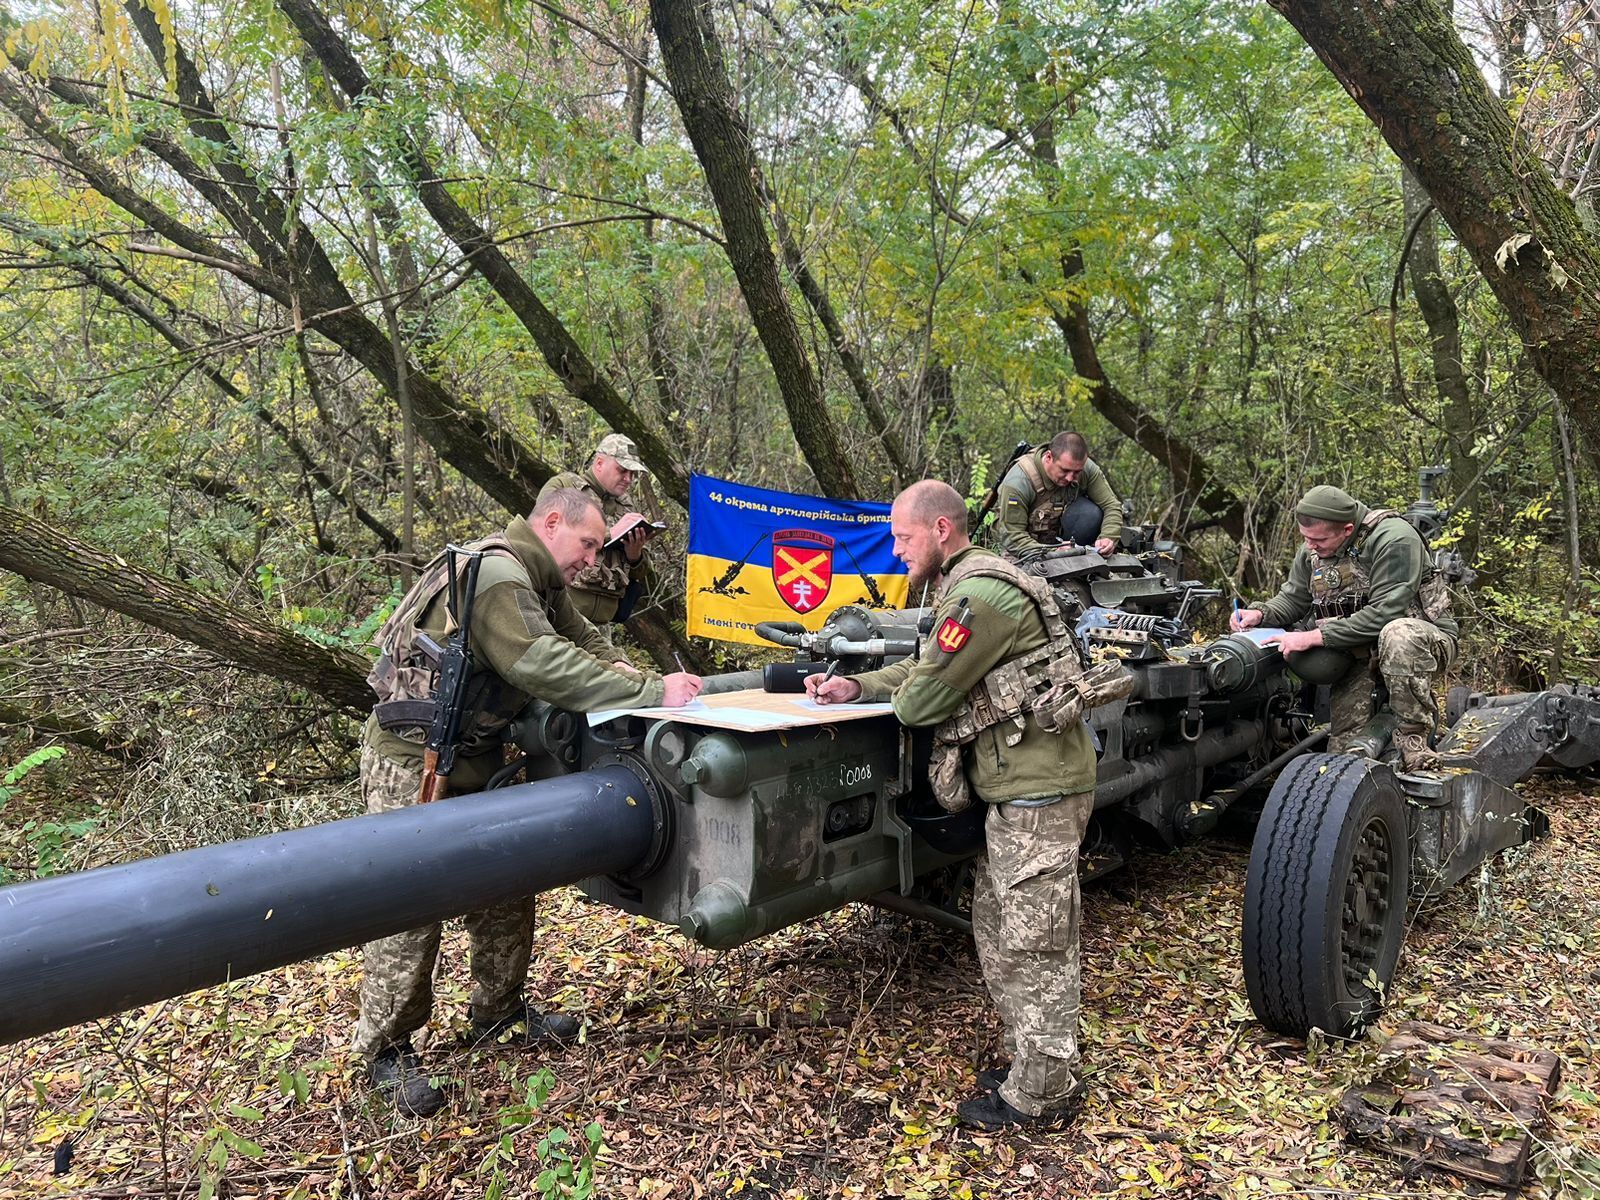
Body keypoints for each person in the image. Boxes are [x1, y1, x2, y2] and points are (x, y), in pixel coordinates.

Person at [356, 487, 703, 1115]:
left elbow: (586, 642)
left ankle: (498, 1013)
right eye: (589, 545)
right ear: (550, 524)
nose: (593, 561)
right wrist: (650, 690)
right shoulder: (498, 578)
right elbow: (543, 665)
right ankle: (386, 1048)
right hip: (417, 758)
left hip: (482, 755)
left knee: (511, 881)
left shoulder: (540, 582)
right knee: (410, 901)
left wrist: (637, 679)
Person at [807, 479, 1117, 1131]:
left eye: (902, 536)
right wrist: (851, 684)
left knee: (1036, 943)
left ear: (941, 531)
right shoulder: (964, 589)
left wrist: (902, 691)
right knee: (999, 928)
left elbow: (922, 699)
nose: (895, 551)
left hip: (1040, 792)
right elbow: (921, 672)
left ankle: (1045, 1094)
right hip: (1018, 791)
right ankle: (1031, 1066)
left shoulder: (979, 596)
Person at [1231, 484, 1458, 770]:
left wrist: (1315, 636)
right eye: (1306, 538)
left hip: (1421, 643)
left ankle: (1415, 741)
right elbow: (1293, 599)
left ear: (1347, 529)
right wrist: (1259, 614)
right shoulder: (1314, 549)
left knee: (1399, 633)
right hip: (1358, 649)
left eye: (1319, 539)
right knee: (1344, 761)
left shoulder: (1394, 539)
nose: (1311, 545)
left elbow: (1386, 614)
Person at [539, 433, 656, 624]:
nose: (628, 479)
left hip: (602, 626)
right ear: (600, 463)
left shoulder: (627, 507)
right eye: (622, 470)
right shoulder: (564, 486)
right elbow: (545, 535)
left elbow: (641, 574)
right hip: (556, 617)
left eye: (632, 474)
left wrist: (635, 556)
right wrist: (610, 534)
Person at [992, 431, 1123, 560]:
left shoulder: (1085, 468)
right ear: (1048, 457)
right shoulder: (1018, 482)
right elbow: (1013, 536)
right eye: (1064, 470)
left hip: (1066, 540)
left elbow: (1111, 505)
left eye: (1077, 472)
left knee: (1090, 513)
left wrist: (1108, 537)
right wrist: (1054, 551)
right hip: (1027, 547)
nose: (1070, 478)